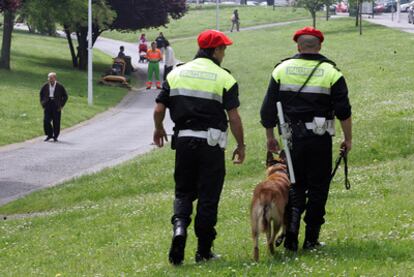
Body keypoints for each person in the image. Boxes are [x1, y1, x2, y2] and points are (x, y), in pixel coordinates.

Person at [153, 29, 245, 265]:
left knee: (183, 192)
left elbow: (159, 109)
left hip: (183, 141)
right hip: (211, 144)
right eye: (223, 49)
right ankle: (204, 250)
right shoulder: (225, 77)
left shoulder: (176, 73)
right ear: (215, 50)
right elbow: (233, 117)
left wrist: (158, 128)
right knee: (208, 196)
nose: (224, 53)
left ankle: (179, 229)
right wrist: (241, 144)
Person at [260, 26, 352, 252]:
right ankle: (311, 239)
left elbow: (267, 109)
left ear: (298, 46)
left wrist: (271, 136)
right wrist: (347, 139)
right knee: (319, 187)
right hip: (319, 139)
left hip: (292, 139)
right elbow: (344, 110)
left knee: (295, 185)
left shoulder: (281, 70)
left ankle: (291, 232)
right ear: (319, 46)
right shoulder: (332, 73)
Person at [39, 72, 69, 142]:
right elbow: (41, 94)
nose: (50, 79)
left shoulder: (60, 86)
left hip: (56, 105)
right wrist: (42, 103)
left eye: (51, 78)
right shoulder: (45, 86)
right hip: (48, 104)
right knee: (46, 120)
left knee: (56, 121)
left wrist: (61, 105)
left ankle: (55, 136)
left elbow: (65, 96)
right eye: (49, 78)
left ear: (55, 78)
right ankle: (49, 134)